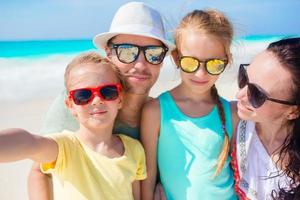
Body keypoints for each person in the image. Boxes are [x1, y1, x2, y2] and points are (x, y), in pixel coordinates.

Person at [27, 2, 174, 199]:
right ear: (109, 52)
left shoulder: (163, 115)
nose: (140, 64)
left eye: (153, 54)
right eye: (127, 51)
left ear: (162, 59)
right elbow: (39, 171)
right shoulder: (81, 101)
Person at [0, 52, 147, 200]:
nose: (96, 100)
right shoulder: (65, 148)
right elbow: (29, 143)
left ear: (120, 98)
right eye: (83, 95)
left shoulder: (134, 149)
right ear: (70, 105)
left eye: (107, 92)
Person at [141, 9, 239, 199]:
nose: (200, 74)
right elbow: (148, 175)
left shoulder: (233, 113)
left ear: (226, 61)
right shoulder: (155, 111)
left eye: (213, 64)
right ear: (176, 58)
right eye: (191, 62)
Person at [232, 37, 300, 200]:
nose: (239, 95)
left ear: (293, 111)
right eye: (244, 78)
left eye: (256, 94)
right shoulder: (231, 120)